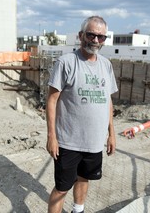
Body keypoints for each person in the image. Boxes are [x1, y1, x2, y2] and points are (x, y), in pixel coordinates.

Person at [46, 15, 118, 213]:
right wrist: (52, 137)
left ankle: (78, 210)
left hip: (94, 142)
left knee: (84, 178)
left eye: (101, 37)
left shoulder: (106, 65)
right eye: (91, 35)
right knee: (62, 188)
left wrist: (111, 133)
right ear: (81, 35)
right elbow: (51, 101)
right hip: (68, 142)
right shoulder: (66, 63)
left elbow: (108, 101)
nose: (95, 40)